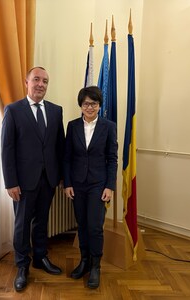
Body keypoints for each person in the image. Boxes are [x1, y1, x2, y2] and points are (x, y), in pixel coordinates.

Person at [1, 66, 65, 292]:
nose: (41, 84)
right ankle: (22, 266)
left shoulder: (56, 111)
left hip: (48, 180)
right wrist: (10, 182)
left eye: (45, 81)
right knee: (21, 225)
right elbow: (7, 149)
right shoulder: (13, 110)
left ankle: (40, 258)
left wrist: (60, 177)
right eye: (36, 79)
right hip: (23, 183)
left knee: (42, 221)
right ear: (26, 82)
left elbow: (60, 147)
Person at [63, 86, 118, 289]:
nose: (90, 107)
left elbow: (112, 159)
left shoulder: (108, 127)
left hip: (98, 184)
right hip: (77, 185)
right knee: (83, 225)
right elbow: (67, 159)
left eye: (94, 103)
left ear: (99, 105)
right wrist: (67, 183)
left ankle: (96, 266)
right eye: (86, 103)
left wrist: (109, 186)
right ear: (80, 105)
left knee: (95, 227)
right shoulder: (72, 126)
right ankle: (84, 261)